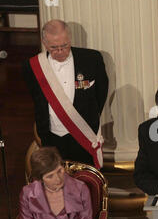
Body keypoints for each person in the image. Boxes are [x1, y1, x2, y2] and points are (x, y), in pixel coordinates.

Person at [22, 19, 108, 168]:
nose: (60, 52)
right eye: (54, 47)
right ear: (44, 43)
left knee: (86, 183)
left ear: (70, 39)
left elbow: (101, 94)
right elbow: (37, 101)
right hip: (52, 138)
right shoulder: (32, 66)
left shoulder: (92, 59)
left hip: (84, 135)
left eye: (64, 46)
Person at [19, 147, 93, 219]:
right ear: (40, 179)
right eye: (50, 176)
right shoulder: (28, 193)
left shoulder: (81, 189)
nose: (58, 178)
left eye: (59, 170)